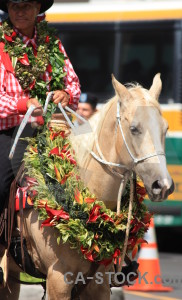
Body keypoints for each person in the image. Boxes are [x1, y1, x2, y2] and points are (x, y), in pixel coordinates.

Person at [0, 0, 80, 282]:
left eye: (25, 5)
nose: (19, 12)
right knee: (0, 183)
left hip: (52, 132)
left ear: (37, 9)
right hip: (10, 133)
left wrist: (66, 95)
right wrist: (22, 104)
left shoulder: (52, 44)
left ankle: (96, 254)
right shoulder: (0, 45)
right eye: (13, 6)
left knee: (88, 177)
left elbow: (72, 82)